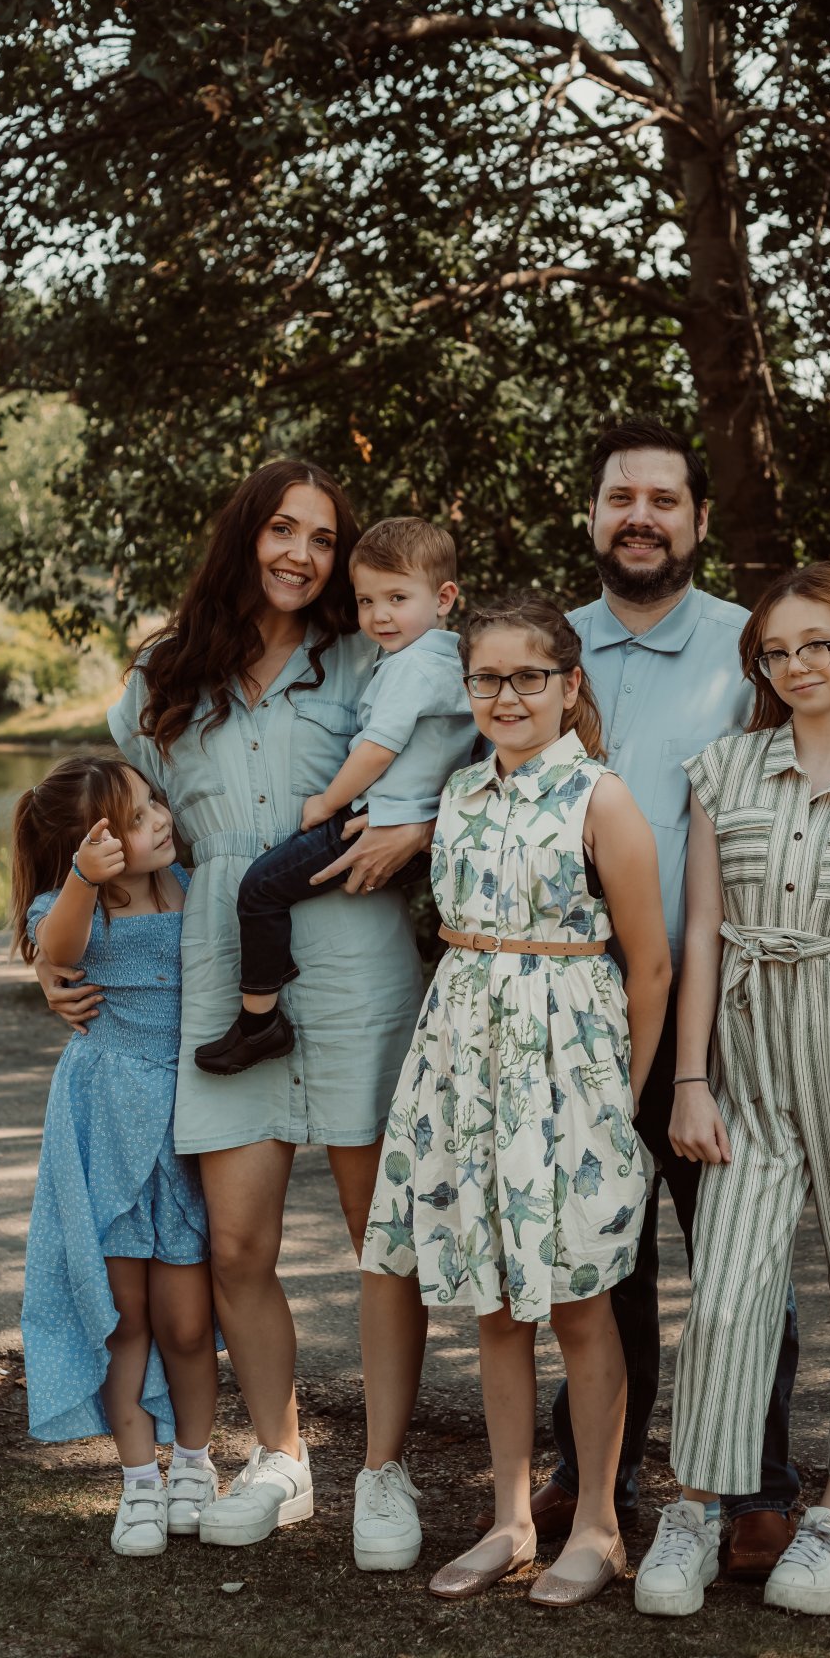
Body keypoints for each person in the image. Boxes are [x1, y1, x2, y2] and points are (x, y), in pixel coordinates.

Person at [527, 419, 830, 1580]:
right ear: (592, 513)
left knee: (790, 1280)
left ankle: (776, 1501)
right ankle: (604, 1488)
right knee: (606, 1256)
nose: (641, 514)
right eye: (621, 494)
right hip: (580, 997)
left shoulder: (738, 644)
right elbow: (456, 747)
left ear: (697, 518)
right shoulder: (542, 649)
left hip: (761, 1011)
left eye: (664, 498)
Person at [39, 461, 433, 1550]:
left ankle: (387, 1473)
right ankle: (283, 1458)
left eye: (322, 536)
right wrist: (49, 948)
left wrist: (423, 831)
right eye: (281, 530)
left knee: (380, 1233)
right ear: (244, 537)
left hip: (353, 954)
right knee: (236, 1243)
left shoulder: (376, 654)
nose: (300, 554)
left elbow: (460, 771)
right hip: (225, 967)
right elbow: (104, 830)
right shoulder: (160, 678)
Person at [634, 563, 830, 1618]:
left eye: (819, 642)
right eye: (777, 649)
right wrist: (688, 1080)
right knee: (726, 1295)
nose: (798, 663)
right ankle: (696, 1505)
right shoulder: (725, 767)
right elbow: (701, 933)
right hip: (748, 1061)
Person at [361, 596, 671, 1603]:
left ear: (568, 686)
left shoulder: (602, 799)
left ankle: (596, 1525)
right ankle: (509, 1519)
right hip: (464, 1067)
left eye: (528, 677)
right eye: (488, 679)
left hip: (568, 1072)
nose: (507, 695)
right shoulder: (456, 796)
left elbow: (653, 962)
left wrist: (615, 1105)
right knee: (494, 1308)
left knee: (581, 1304)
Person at [12, 755, 219, 1558]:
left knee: (188, 1321)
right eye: (135, 818)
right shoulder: (75, 908)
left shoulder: (193, 888)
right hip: (105, 1122)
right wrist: (82, 881)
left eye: (155, 802)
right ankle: (138, 1482)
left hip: (185, 1123)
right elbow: (54, 949)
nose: (160, 818)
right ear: (90, 844)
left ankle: (196, 1466)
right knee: (125, 1317)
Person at [194, 516, 473, 1076]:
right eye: (367, 601)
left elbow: (376, 749)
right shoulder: (456, 662)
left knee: (260, 890)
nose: (379, 616)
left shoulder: (409, 668)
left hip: (370, 820)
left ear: (444, 597)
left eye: (397, 598)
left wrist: (324, 803)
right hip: (418, 835)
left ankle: (259, 1022)